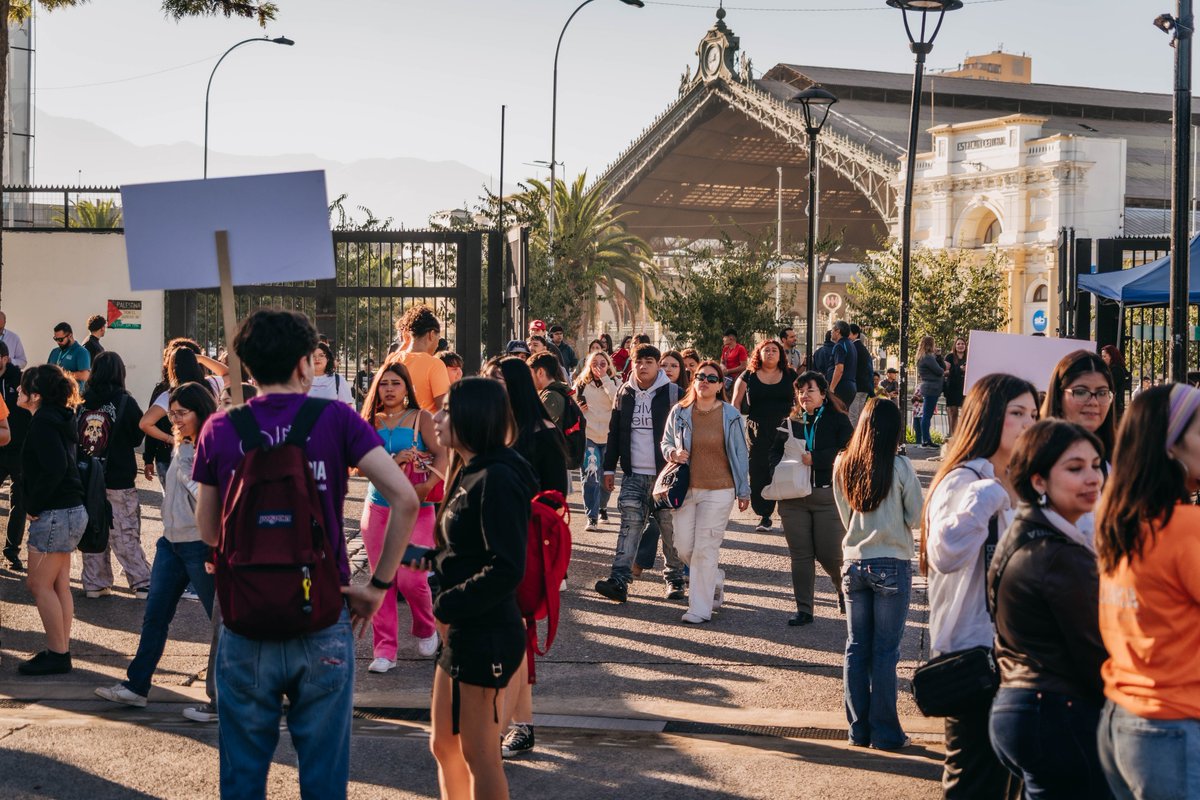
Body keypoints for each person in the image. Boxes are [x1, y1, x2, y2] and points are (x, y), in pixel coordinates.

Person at [192, 309, 419, 799]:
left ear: (246, 367)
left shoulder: (220, 428)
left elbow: (209, 531)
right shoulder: (336, 419)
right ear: (304, 365)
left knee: (242, 778)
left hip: (245, 620)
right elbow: (405, 498)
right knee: (322, 781)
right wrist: (377, 587)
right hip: (322, 613)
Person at [921, 372, 1038, 800]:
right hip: (976, 657)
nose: (1029, 422)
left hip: (1018, 656)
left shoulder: (1024, 482)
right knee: (975, 783)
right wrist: (991, 494)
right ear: (988, 418)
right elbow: (945, 552)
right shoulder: (965, 481)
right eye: (1017, 413)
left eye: (1033, 413)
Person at [987, 420, 1112, 799]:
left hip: (1028, 708)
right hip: (1056, 713)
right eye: (1075, 468)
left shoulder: (1027, 534)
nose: (1093, 477)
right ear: (1039, 481)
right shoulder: (1058, 556)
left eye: (1095, 464)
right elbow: (1098, 652)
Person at [423, 377, 535, 799]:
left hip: (486, 631)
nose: (436, 417)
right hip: (464, 628)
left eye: (447, 409)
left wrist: (446, 604)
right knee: (444, 745)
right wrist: (427, 558)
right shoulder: (470, 469)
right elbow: (465, 546)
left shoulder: (498, 477)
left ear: (474, 416)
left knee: (480, 755)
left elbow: (507, 567)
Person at [1094, 384, 1200, 800]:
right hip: (1173, 727)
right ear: (1171, 445)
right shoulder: (1185, 529)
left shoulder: (1120, 523)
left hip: (1123, 720)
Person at [94, 382, 223, 710]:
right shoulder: (182, 442)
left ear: (201, 411)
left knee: (223, 623)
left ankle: (226, 697)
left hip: (199, 545)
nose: (175, 420)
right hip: (171, 543)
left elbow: (208, 496)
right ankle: (136, 686)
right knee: (154, 616)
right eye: (172, 414)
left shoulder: (212, 445)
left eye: (182, 413)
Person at [488, 356, 567, 760]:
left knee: (517, 639)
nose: (491, 385)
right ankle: (496, 721)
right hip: (486, 548)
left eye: (497, 379)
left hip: (523, 549)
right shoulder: (489, 431)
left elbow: (555, 501)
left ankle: (521, 723)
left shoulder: (543, 432)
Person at [833, 397, 923, 751]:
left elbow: (845, 516)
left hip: (854, 561)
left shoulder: (843, 463)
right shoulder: (899, 466)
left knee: (856, 648)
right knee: (886, 651)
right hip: (891, 562)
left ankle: (858, 729)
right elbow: (916, 518)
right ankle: (885, 732)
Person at [358, 361, 446, 672]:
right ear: (376, 388)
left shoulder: (421, 417)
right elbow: (358, 467)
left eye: (396, 383)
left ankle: (425, 627)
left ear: (406, 387)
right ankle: (384, 650)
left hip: (417, 508)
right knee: (383, 578)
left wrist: (430, 484)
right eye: (384, 384)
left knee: (412, 578)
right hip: (378, 508)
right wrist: (394, 460)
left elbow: (442, 452)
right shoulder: (369, 422)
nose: (390, 389)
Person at [661, 360, 750, 624]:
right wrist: (672, 453)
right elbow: (666, 442)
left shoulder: (730, 414)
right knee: (683, 547)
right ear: (693, 380)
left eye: (712, 378)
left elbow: (740, 454)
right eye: (701, 376)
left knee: (705, 548)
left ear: (721, 384)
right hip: (685, 489)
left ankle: (699, 609)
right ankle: (714, 578)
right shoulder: (680, 412)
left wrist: (743, 490)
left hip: (720, 489)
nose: (706, 381)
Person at [595, 343, 684, 604]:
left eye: (648, 361)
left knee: (669, 529)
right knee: (629, 526)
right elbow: (614, 434)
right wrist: (609, 468)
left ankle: (675, 579)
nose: (643, 366)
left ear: (658, 365)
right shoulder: (624, 393)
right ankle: (619, 580)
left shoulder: (673, 394)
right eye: (638, 361)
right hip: (633, 475)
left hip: (666, 476)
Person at [17, 364, 86, 676]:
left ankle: (58, 654)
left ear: (35, 395)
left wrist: (33, 504)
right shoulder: (59, 416)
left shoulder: (43, 421)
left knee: (38, 583)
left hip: (55, 513)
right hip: (70, 511)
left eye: (21, 388)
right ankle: (61, 649)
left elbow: (55, 468)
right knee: (59, 585)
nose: (16, 392)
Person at [772, 371, 854, 627]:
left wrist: (817, 459)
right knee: (801, 555)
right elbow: (773, 453)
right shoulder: (791, 421)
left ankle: (843, 589)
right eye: (800, 391)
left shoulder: (837, 419)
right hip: (793, 497)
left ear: (823, 393)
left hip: (826, 494)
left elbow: (849, 452)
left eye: (810, 390)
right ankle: (804, 609)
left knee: (830, 553)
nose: (804, 395)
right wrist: (781, 470)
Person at [79, 352, 151, 600]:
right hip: (118, 476)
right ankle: (141, 581)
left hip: (88, 477)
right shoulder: (124, 402)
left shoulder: (82, 401)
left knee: (94, 528)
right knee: (124, 530)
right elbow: (137, 436)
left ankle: (94, 582)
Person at [731, 340, 796, 532]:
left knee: (784, 469)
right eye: (766, 350)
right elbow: (735, 403)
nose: (770, 353)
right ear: (758, 354)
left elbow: (801, 398)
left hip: (785, 428)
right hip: (757, 429)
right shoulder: (748, 375)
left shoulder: (790, 374)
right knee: (759, 471)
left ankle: (787, 513)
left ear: (780, 355)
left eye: (774, 350)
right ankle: (764, 515)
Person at [573, 350, 619, 530]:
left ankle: (602, 507)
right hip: (589, 435)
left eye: (603, 363)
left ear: (608, 365)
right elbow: (573, 406)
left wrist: (606, 380)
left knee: (606, 476)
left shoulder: (615, 382)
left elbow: (617, 400)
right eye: (595, 364)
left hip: (608, 437)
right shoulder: (582, 384)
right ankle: (591, 516)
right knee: (591, 476)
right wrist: (579, 408)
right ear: (589, 366)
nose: (599, 367)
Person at [391, 304, 451, 414]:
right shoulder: (435, 364)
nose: (438, 343)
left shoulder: (393, 359)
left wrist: (406, 341)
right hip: (423, 428)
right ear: (432, 334)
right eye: (438, 337)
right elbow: (444, 408)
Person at [0, 341, 28, 570]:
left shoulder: (19, 381)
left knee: (19, 502)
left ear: (6, 358)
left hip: (19, 449)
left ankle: (12, 551)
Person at [915, 335, 945, 448]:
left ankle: (926, 439)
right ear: (930, 345)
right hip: (932, 388)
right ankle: (926, 439)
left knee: (927, 414)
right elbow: (940, 370)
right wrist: (941, 367)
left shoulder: (922, 357)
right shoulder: (928, 357)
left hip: (929, 387)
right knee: (927, 415)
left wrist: (938, 357)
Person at [529, 352, 572, 427]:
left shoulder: (551, 397)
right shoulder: (559, 391)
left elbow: (538, 427)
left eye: (530, 373)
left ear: (540, 372)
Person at [48, 321, 91, 388]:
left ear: (70, 336)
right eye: (55, 339)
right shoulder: (55, 351)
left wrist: (63, 374)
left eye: (60, 339)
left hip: (72, 395)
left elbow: (85, 376)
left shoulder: (81, 352)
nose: (58, 342)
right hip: (53, 394)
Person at [847, 324, 873, 426]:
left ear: (855, 334)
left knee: (853, 416)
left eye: (849, 333)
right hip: (864, 386)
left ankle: (855, 439)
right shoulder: (862, 348)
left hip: (857, 386)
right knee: (859, 415)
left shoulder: (854, 348)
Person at [944, 337, 968, 438]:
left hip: (966, 387)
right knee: (953, 412)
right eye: (958, 344)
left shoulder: (969, 356)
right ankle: (952, 436)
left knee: (966, 413)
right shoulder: (949, 357)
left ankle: (964, 436)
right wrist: (959, 369)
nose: (961, 346)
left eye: (962, 344)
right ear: (955, 345)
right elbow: (944, 372)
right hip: (952, 387)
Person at [1098, 345, 1129, 422]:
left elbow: (1110, 387)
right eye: (1102, 356)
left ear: (1112, 357)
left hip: (1114, 407)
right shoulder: (1112, 369)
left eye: (1104, 356)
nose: (1102, 359)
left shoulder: (1116, 370)